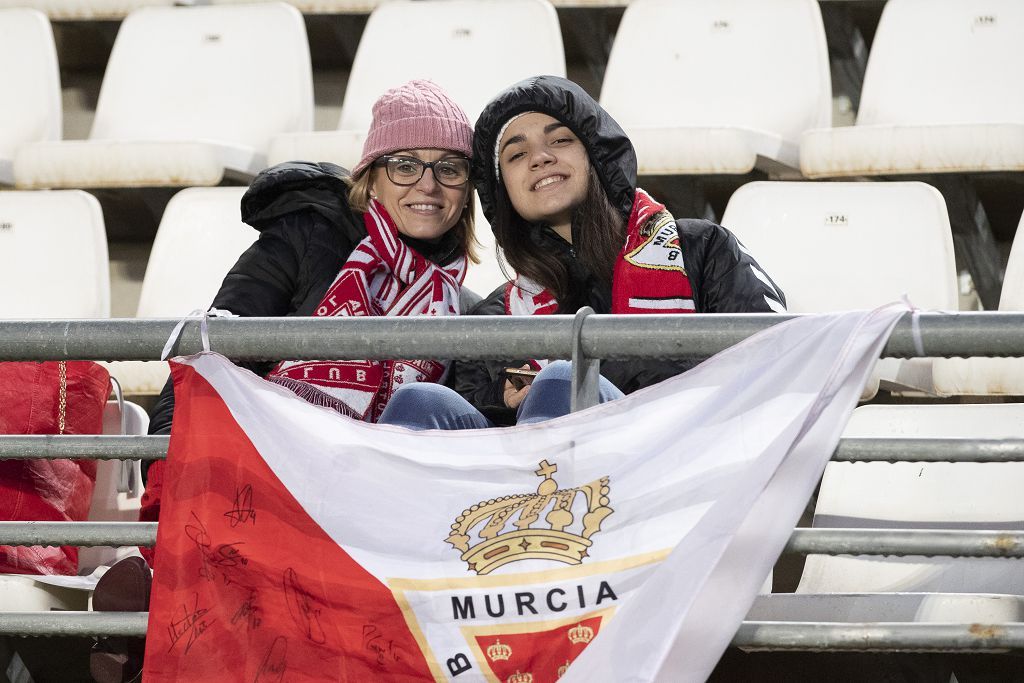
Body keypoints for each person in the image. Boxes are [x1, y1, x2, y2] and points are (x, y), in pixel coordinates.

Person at [140, 79, 479, 537]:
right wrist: (168, 478)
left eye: (449, 168)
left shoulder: (464, 307)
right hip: (266, 483)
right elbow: (205, 366)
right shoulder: (304, 240)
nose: (429, 184)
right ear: (371, 179)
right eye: (404, 166)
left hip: (377, 518)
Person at [377, 75, 786, 430]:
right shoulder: (495, 315)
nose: (540, 157)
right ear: (503, 191)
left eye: (560, 139)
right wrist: (505, 401)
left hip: (676, 461)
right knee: (420, 403)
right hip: (524, 491)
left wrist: (578, 377)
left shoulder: (701, 249)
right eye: (517, 154)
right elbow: (481, 428)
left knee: (559, 383)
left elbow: (775, 362)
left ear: (596, 156)